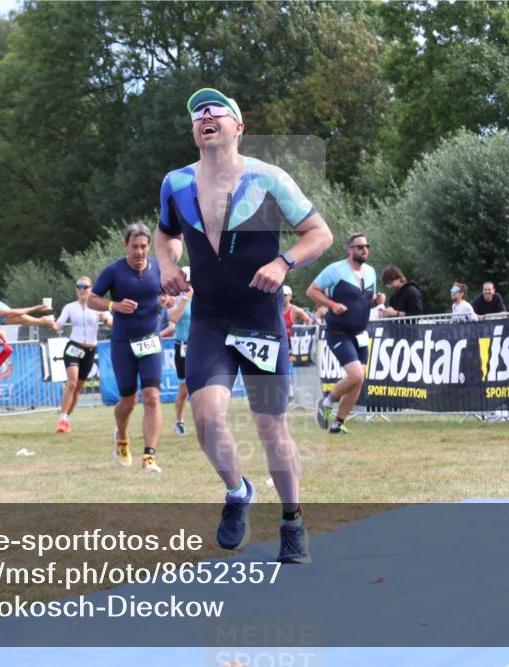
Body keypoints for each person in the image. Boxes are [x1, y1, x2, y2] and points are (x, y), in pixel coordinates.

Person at [156, 87, 333, 564]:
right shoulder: (175, 183)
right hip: (211, 318)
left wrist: (283, 263)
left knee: (271, 428)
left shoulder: (269, 177)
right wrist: (166, 263)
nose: (205, 115)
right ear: (194, 131)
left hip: (259, 318)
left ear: (238, 127)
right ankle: (238, 492)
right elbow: (166, 234)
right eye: (197, 112)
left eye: (216, 110)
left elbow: (320, 234)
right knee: (207, 420)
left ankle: (293, 520)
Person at [89, 223, 165, 473]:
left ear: (149, 246)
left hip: (151, 342)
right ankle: (121, 436)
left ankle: (149, 456)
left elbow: (168, 294)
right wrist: (114, 306)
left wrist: (167, 299)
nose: (139, 252)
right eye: (134, 246)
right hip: (123, 344)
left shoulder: (158, 268)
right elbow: (91, 299)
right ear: (125, 246)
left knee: (152, 396)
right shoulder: (114, 271)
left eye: (144, 246)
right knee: (128, 402)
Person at [306, 233, 382, 434]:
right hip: (339, 332)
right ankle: (327, 402)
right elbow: (312, 291)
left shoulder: (371, 272)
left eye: (367, 246)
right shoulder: (335, 269)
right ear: (350, 249)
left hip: (361, 334)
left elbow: (366, 300)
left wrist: (377, 301)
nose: (365, 249)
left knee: (358, 380)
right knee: (355, 374)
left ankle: (338, 423)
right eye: (360, 247)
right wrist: (331, 304)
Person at [52, 276, 112, 434]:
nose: (81, 290)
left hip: (90, 350)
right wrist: (48, 321)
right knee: (71, 383)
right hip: (73, 347)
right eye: (78, 287)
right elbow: (58, 325)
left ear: (91, 289)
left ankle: (66, 417)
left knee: (77, 388)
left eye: (85, 287)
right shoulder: (70, 307)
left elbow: (112, 323)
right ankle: (62, 419)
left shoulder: (99, 307)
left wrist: (106, 320)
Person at [168, 267, 193, 436]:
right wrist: (185, 298)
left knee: (204, 386)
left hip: (200, 346)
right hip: (182, 345)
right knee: (184, 389)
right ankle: (179, 421)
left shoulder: (203, 298)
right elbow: (173, 318)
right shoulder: (177, 299)